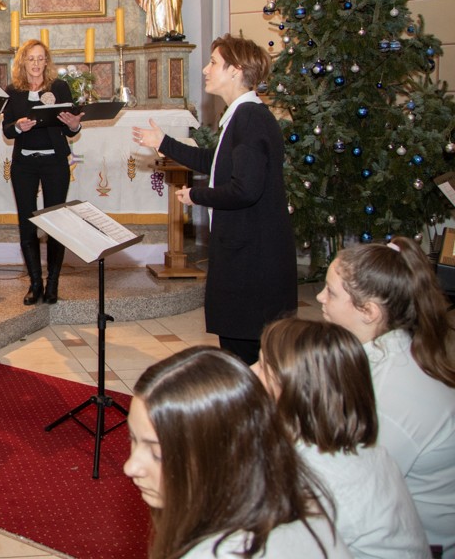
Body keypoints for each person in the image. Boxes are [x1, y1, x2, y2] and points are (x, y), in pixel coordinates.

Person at [132, 34, 295, 365]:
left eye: (214, 63)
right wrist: (164, 142)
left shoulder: (249, 118)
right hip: (250, 256)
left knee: (244, 360)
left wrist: (195, 195)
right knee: (243, 356)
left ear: (236, 70)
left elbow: (245, 189)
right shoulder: (245, 115)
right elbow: (218, 162)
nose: (205, 69)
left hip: (251, 262)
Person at [125, 346, 349, 559]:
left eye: (157, 453)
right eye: (133, 439)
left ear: (221, 456)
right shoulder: (303, 502)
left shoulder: (220, 553)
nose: (130, 467)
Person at [316, 237, 455, 556]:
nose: (320, 298)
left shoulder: (393, 398)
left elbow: (345, 492)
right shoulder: (389, 353)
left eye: (332, 292)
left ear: (369, 312)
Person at [255, 318, 429, 559]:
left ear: (292, 389)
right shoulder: (357, 448)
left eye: (262, 367)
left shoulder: (314, 481)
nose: (251, 371)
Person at [2, 40, 83, 306]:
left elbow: (70, 127)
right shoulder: (12, 91)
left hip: (54, 162)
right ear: (22, 62)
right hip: (24, 164)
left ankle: (53, 284)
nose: (36, 64)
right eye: (31, 59)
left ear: (46, 62)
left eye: (40, 59)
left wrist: (73, 126)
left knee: (56, 223)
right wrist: (18, 127)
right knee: (27, 223)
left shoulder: (58, 88)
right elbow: (6, 130)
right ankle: (35, 283)